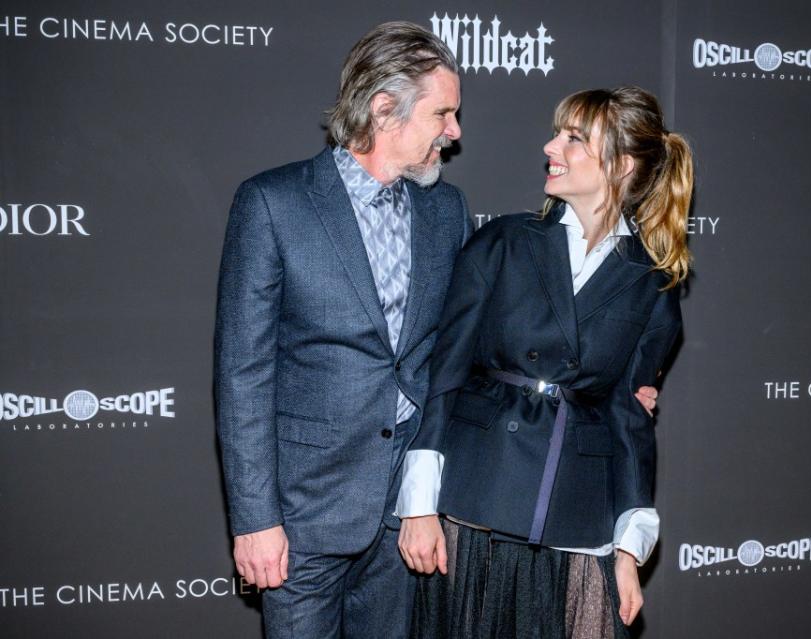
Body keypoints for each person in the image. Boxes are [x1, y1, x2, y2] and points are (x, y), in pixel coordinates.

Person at [396, 86, 693, 638]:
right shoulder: (504, 241)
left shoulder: (653, 283)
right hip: (477, 497)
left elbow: (629, 420)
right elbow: (446, 372)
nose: (550, 145)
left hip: (576, 512)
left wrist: (628, 549)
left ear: (621, 164)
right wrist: (417, 505)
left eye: (574, 138)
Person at [214, 22, 469, 638]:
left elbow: (461, 351)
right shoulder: (273, 204)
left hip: (404, 519)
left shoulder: (445, 209)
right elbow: (242, 373)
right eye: (444, 113)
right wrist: (254, 520)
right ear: (385, 110)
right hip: (303, 518)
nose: (455, 132)